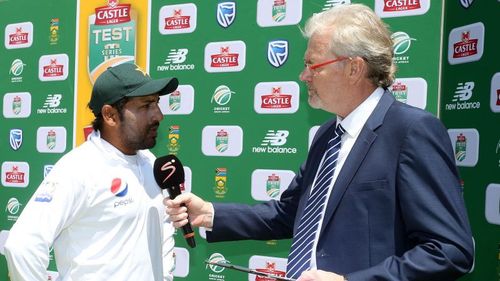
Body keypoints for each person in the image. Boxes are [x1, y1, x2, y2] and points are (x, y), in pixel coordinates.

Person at [165, 4, 474, 281]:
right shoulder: (328, 135)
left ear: (354, 68)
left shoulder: (411, 131)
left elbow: (449, 250)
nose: (303, 76)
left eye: (313, 65)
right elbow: (290, 214)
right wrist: (210, 214)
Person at [4, 63, 179, 281]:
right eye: (145, 106)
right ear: (110, 115)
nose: (158, 115)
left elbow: (162, 232)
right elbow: (22, 246)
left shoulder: (152, 164)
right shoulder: (79, 168)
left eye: (157, 103)